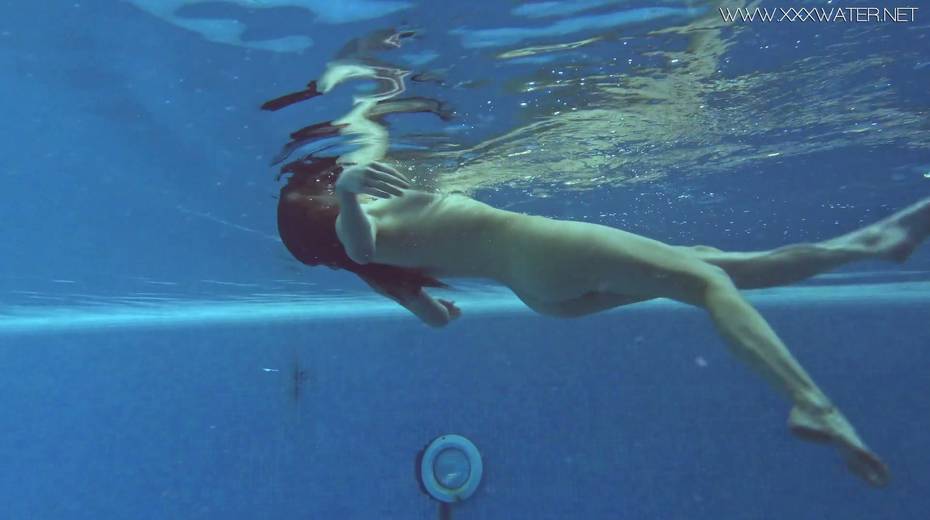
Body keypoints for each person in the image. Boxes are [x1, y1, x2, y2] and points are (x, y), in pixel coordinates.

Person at [269, 60, 929, 489]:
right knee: (709, 285)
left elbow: (436, 316)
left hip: (542, 291)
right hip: (549, 252)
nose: (330, 181)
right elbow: (359, 244)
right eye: (322, 188)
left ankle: (873, 243)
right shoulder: (362, 226)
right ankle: (812, 403)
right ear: (320, 206)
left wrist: (439, 297)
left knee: (716, 266)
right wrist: (350, 188)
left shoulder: (385, 268)